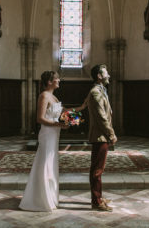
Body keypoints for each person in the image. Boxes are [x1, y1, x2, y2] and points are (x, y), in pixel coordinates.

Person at [19, 71, 86, 212]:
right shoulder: (44, 96)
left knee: (51, 163)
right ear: (49, 82)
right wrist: (59, 124)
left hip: (54, 134)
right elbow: (40, 119)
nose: (59, 80)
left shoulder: (53, 97)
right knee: (45, 163)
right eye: (56, 79)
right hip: (48, 134)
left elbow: (64, 112)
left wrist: (82, 108)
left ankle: (49, 196)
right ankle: (40, 200)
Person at [85, 64, 117, 211]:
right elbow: (101, 117)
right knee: (97, 170)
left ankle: (98, 197)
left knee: (98, 169)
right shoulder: (96, 92)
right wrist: (111, 134)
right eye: (106, 73)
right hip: (100, 136)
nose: (108, 75)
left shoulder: (101, 90)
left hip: (102, 136)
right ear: (99, 76)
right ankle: (96, 201)